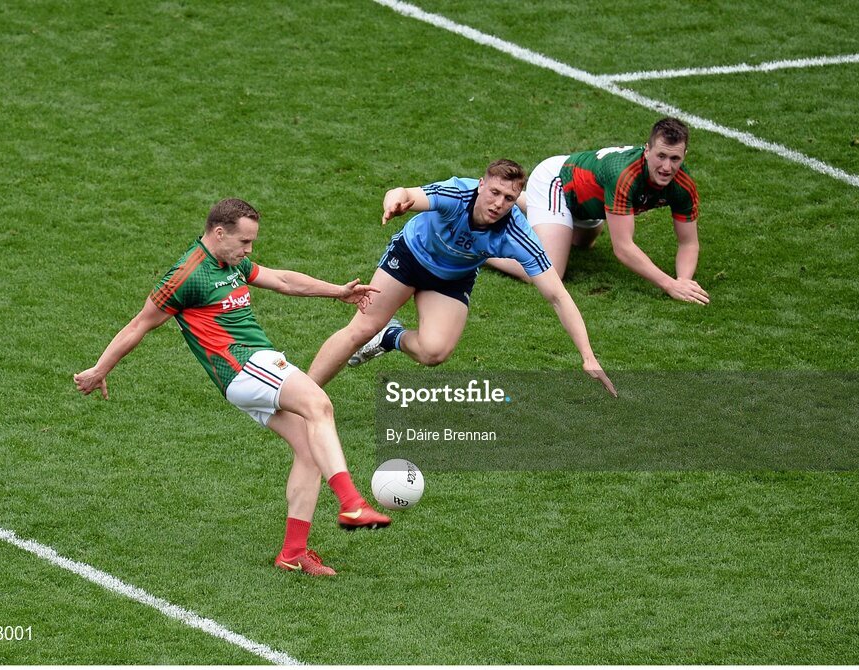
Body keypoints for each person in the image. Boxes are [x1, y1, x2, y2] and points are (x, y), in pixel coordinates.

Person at [74, 198, 391, 577]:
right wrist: (100, 369)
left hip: (252, 367)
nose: (249, 250)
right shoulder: (187, 276)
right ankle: (352, 503)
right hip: (243, 366)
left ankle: (293, 553)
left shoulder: (231, 261)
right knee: (318, 404)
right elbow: (139, 324)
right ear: (219, 233)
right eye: (244, 241)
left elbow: (283, 280)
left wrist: (337, 291)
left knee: (310, 449)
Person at [305, 159, 617, 397]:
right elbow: (406, 193)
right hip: (410, 256)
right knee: (361, 329)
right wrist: (394, 201)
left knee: (434, 352)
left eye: (509, 198)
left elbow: (557, 296)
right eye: (494, 192)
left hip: (452, 279)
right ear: (481, 185)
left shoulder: (517, 234)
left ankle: (389, 337)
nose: (499, 203)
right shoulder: (456, 193)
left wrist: (588, 356)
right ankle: (300, 396)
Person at [486, 117, 710, 305]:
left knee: (583, 243)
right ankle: (483, 250)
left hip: (586, 204)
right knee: (548, 271)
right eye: (661, 156)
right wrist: (669, 284)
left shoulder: (683, 184)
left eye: (675, 158)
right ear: (647, 150)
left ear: (684, 154)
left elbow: (688, 243)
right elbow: (623, 248)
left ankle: (533, 203)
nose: (667, 167)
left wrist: (684, 281)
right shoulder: (625, 175)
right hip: (557, 183)